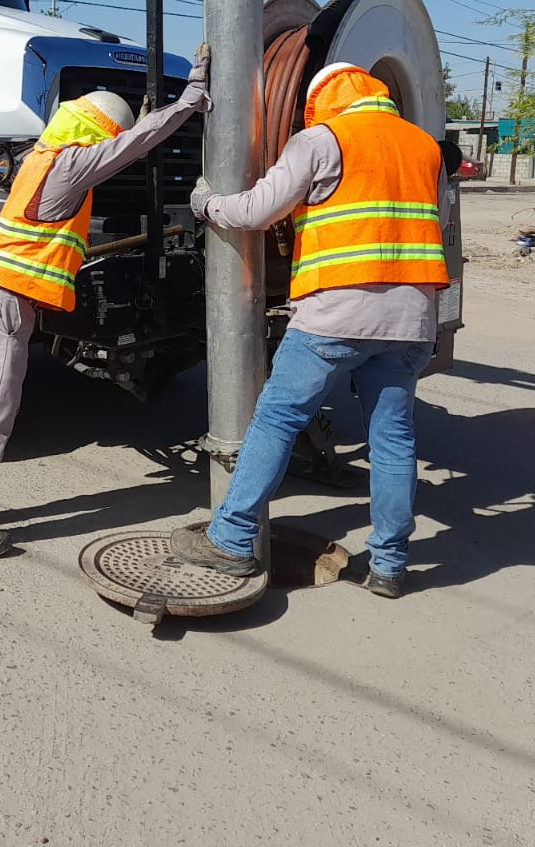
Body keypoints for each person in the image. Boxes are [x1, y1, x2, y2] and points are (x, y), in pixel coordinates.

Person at [0, 47, 212, 558]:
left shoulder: (42, 160)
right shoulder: (69, 167)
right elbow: (132, 148)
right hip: (5, 304)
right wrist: (188, 102)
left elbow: (114, 150)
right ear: (96, 134)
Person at [171, 62, 450, 598]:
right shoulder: (423, 146)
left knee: (277, 418)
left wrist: (207, 203)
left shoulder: (321, 140)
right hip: (412, 317)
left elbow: (256, 210)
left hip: (337, 314)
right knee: (392, 439)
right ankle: (390, 565)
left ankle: (230, 537)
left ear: (325, 98)